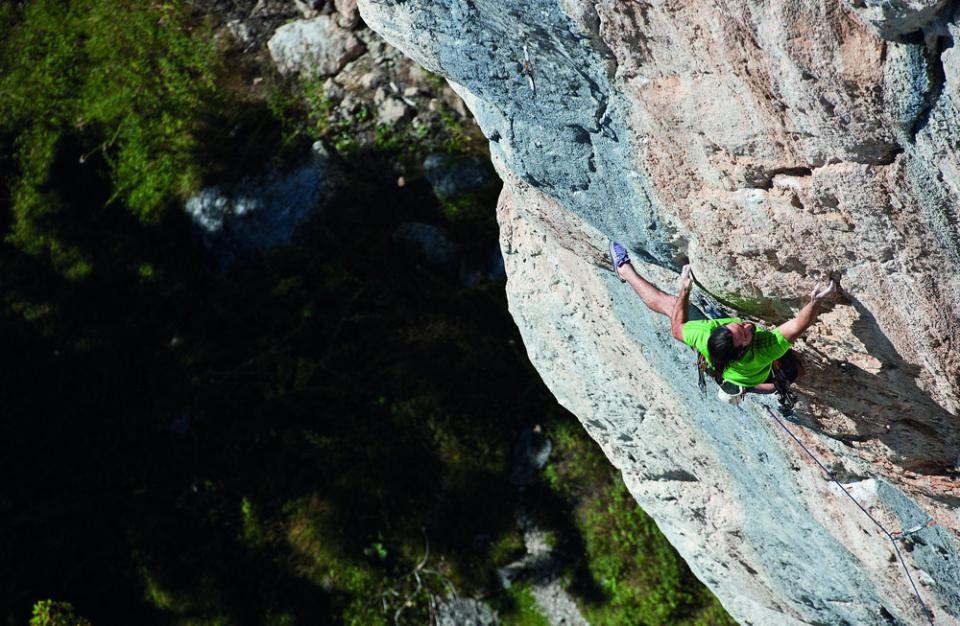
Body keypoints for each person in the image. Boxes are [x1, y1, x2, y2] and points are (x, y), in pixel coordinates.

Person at [608, 241, 836, 402]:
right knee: (789, 371)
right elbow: (797, 326)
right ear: (743, 349)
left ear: (719, 327)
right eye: (746, 333)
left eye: (737, 325)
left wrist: (684, 290)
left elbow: (677, 331)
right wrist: (815, 301)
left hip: (731, 368)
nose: (748, 326)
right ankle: (625, 270)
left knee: (671, 306)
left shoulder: (705, 334)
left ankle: (624, 271)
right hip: (752, 372)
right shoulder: (764, 350)